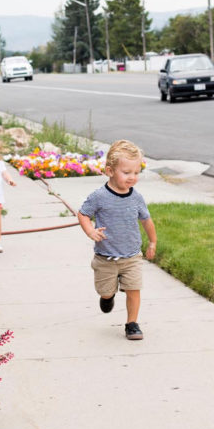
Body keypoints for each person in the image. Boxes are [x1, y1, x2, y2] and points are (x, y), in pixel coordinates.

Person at [77, 139, 157, 340]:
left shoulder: (136, 197)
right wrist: (90, 231)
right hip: (106, 258)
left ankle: (132, 324)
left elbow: (147, 220)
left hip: (132, 257)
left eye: (136, 173)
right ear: (110, 171)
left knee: (134, 290)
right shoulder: (99, 196)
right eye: (127, 172)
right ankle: (108, 296)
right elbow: (83, 214)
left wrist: (153, 241)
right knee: (104, 292)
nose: (132, 177)